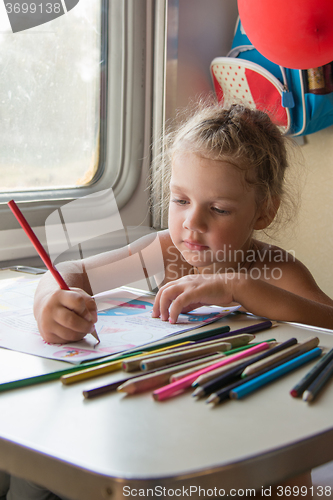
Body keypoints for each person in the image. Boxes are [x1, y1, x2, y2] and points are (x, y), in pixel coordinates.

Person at [8, 103, 332, 500]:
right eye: (180, 200)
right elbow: (72, 272)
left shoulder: (275, 268)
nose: (192, 223)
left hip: (254, 439)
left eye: (218, 209)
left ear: (263, 211)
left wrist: (243, 289)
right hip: (169, 424)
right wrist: (50, 301)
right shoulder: (166, 251)